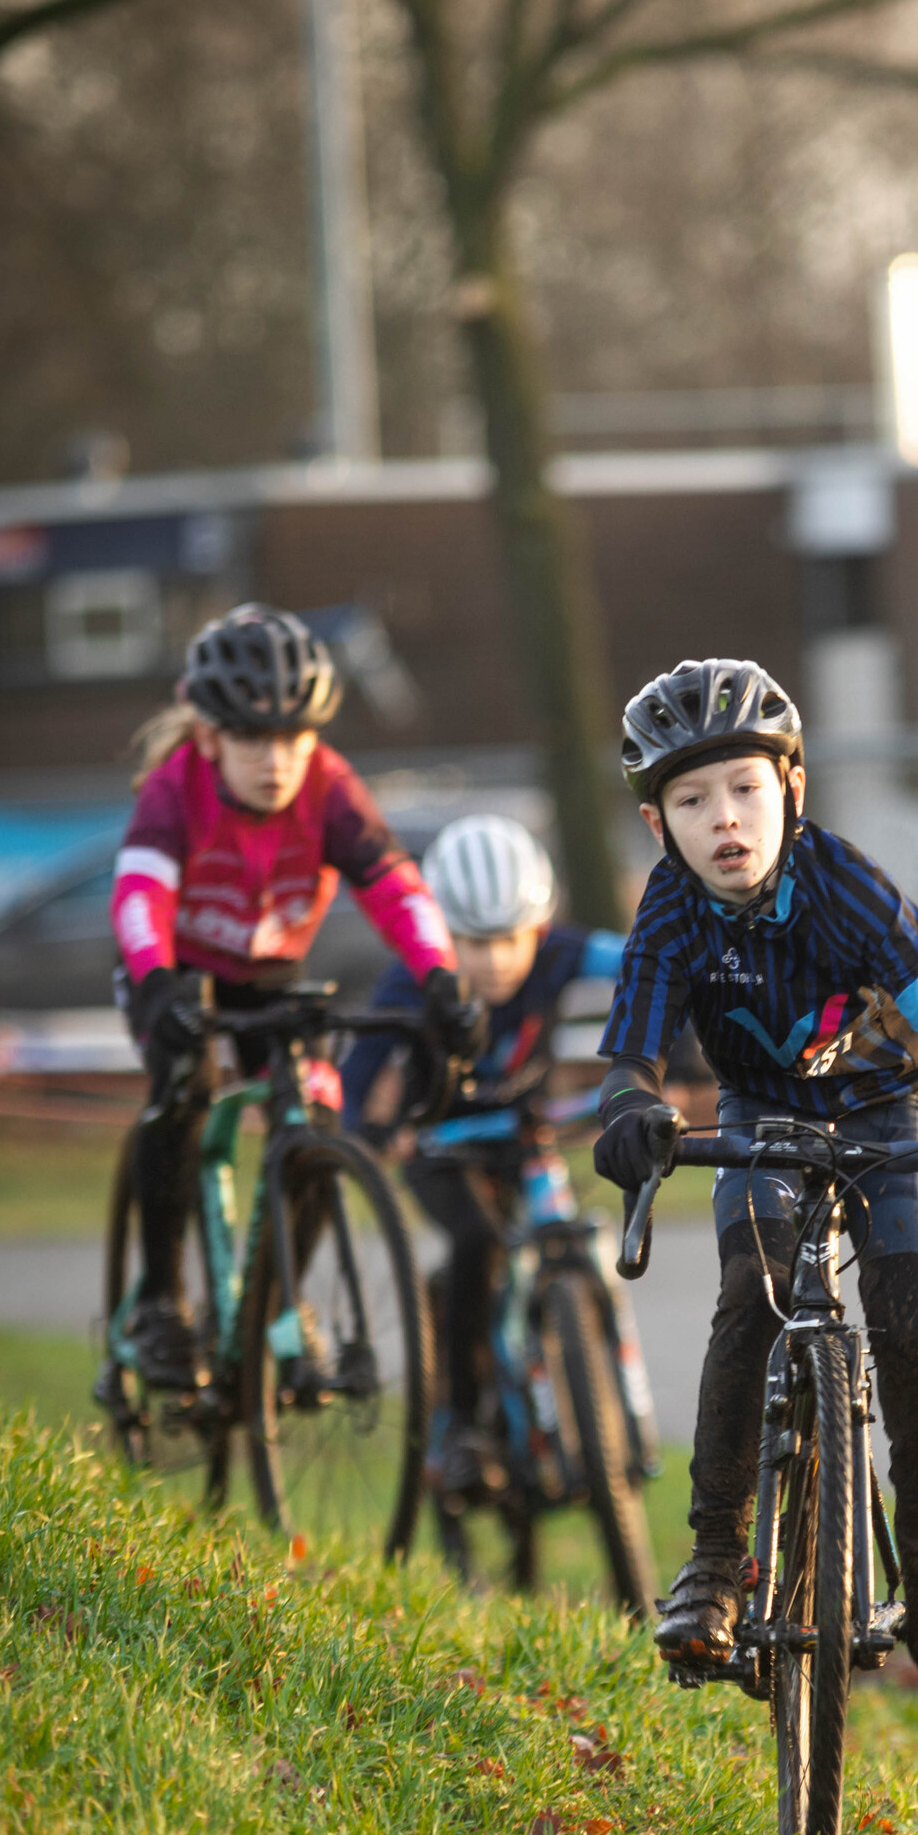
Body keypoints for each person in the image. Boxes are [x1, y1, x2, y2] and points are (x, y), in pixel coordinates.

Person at [592, 654, 918, 1683]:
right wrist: (628, 1113)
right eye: (692, 800)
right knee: (748, 1298)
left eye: (746, 788)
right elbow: (632, 1051)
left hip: (883, 1109)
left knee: (909, 1308)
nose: (726, 819)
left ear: (790, 788)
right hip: (759, 1115)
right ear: (659, 826)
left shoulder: (842, 883)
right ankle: (714, 1562)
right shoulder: (669, 909)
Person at [110, 602, 481, 1387]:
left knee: (314, 1113)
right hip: (176, 971)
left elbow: (396, 888)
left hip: (272, 973)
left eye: (294, 736)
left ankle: (273, 1308)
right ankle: (161, 1303)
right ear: (208, 733)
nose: (276, 760)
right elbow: (139, 895)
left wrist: (440, 977)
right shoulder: (176, 789)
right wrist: (154, 985)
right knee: (186, 1089)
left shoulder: (329, 786)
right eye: (251, 738)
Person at [341, 811, 625, 1503]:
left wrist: (677, 1055)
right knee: (478, 1241)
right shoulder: (414, 980)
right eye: (472, 942)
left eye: (510, 940)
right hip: (438, 1148)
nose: (495, 961)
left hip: (524, 1137)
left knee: (564, 1236)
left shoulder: (561, 952)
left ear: (539, 925)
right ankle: (463, 1423)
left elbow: (653, 965)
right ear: (441, 932)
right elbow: (360, 1069)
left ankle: (591, 1396)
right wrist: (370, 1134)